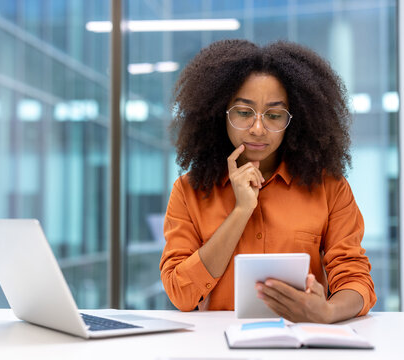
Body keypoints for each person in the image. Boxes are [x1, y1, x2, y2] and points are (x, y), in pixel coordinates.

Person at [159, 39, 376, 323]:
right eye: (244, 112)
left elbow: (356, 278)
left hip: (301, 343)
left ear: (295, 120)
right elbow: (180, 294)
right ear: (218, 114)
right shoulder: (188, 191)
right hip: (216, 347)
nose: (258, 129)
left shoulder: (329, 187)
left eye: (274, 115)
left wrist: (329, 311)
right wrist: (240, 212)